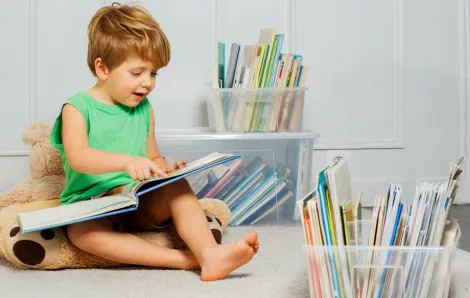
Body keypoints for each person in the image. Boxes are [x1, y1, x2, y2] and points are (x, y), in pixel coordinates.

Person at [50, 2, 259, 281]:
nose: (147, 83)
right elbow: (79, 157)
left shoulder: (144, 108)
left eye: (153, 73)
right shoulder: (76, 108)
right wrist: (128, 162)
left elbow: (153, 157)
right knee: (82, 235)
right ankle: (186, 260)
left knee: (177, 186)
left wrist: (164, 171)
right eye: (137, 73)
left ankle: (209, 253)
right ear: (102, 69)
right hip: (91, 206)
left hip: (136, 200)